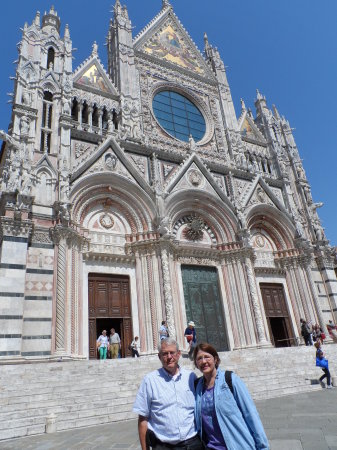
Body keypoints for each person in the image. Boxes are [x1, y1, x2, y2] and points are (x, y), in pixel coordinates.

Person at [193, 342, 269, 450]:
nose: (204, 361)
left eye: (207, 357)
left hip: (237, 446)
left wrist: (263, 447)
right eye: (199, 358)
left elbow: (250, 414)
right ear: (196, 363)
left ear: (215, 359)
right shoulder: (197, 387)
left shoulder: (231, 380)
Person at [133, 337, 203, 450]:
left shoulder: (190, 377)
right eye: (165, 354)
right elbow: (142, 419)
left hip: (192, 443)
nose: (169, 357)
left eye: (172, 353)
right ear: (159, 357)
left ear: (179, 354)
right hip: (163, 445)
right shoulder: (150, 381)